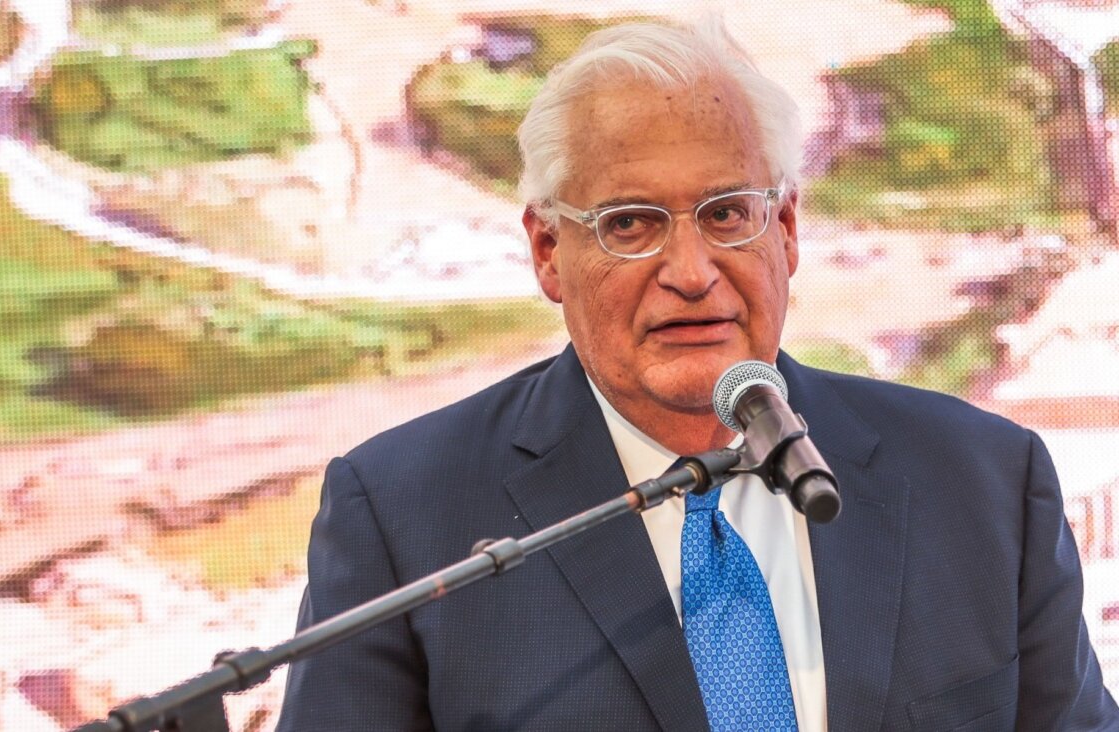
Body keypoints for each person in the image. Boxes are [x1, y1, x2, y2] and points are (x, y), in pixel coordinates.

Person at [277, 18, 1119, 731]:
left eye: (726, 214)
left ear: (786, 230)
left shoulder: (982, 480)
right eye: (631, 224)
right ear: (547, 252)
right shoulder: (401, 514)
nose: (691, 269)